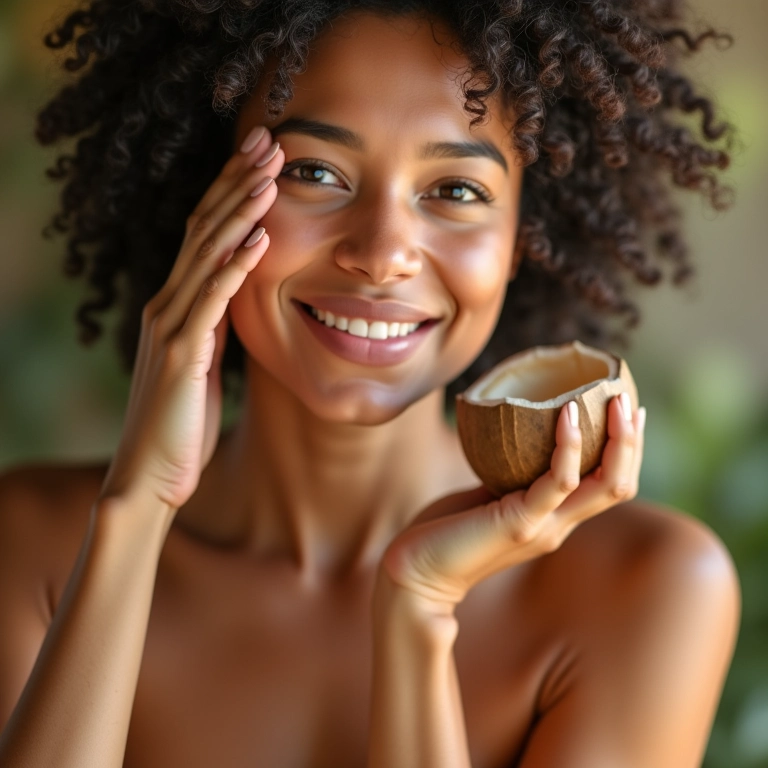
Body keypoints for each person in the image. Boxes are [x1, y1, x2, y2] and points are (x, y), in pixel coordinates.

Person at [0, 2, 740, 766]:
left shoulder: (644, 587)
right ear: (204, 198)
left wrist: (419, 610)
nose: (384, 253)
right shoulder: (30, 548)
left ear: (522, 238)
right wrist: (135, 510)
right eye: (315, 173)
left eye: (455, 190)